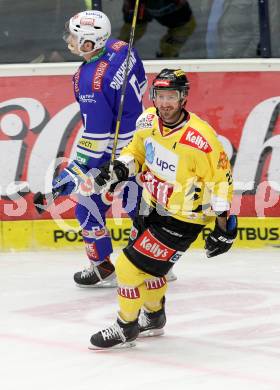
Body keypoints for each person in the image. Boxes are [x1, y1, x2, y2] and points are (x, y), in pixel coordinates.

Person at [88, 68, 238, 349]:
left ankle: (126, 326)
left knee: (127, 267)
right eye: (161, 95)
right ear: (154, 96)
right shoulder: (147, 120)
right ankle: (154, 317)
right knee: (150, 271)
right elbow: (136, 152)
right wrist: (120, 167)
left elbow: (221, 183)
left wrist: (223, 228)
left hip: (183, 218)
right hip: (152, 203)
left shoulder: (200, 140)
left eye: (173, 96)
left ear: (184, 98)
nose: (165, 103)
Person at [51, 10, 148, 288]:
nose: (69, 39)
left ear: (89, 44)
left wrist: (74, 170)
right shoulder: (123, 48)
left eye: (74, 36)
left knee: (88, 205)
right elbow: (141, 84)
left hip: (113, 152)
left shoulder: (88, 79)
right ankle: (155, 265)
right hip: (140, 142)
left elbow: (96, 136)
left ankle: (103, 266)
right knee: (138, 205)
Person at [119, 0, 196, 58]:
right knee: (125, 39)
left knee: (180, 34)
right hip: (139, 7)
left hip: (174, 11)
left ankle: (168, 58)